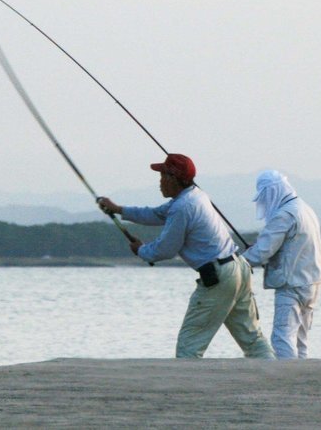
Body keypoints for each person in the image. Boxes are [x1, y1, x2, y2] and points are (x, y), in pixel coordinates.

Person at [97, 154, 273, 360]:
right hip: (238, 269)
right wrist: (118, 210)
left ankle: (189, 392)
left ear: (174, 179)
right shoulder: (195, 196)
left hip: (219, 277)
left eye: (162, 176)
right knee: (252, 339)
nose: (159, 182)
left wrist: (142, 251)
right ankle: (276, 377)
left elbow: (166, 249)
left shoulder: (182, 207)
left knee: (188, 347)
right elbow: (155, 215)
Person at [241, 169, 321, 359]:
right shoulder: (304, 209)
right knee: (301, 340)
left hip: (292, 285)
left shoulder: (284, 215)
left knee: (282, 337)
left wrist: (238, 261)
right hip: (312, 283)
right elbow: (288, 245)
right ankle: (300, 377)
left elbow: (263, 251)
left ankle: (287, 382)